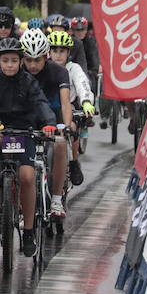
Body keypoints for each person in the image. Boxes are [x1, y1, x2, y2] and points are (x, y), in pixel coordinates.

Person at [0, 37, 58, 258]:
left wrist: (49, 123)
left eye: (14, 60)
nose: (10, 65)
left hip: (24, 130)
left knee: (26, 177)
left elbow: (41, 103)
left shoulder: (29, 81)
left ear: (21, 61)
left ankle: (28, 231)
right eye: (5, 60)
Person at [18, 29, 73, 220]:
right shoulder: (17, 70)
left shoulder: (59, 72)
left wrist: (66, 126)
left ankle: (56, 199)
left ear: (46, 56)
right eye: (28, 60)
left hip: (53, 116)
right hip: (26, 118)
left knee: (59, 144)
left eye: (37, 60)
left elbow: (65, 103)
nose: (32, 65)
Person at [48, 29, 94, 187]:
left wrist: (86, 101)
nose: (58, 55)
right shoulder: (43, 66)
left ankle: (73, 162)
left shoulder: (74, 68)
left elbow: (83, 85)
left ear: (68, 53)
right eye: (54, 51)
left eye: (62, 51)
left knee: (72, 127)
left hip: (70, 107)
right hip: (46, 110)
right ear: (49, 52)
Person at [68, 17, 101, 85]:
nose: (80, 32)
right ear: (72, 31)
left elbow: (94, 62)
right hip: (70, 73)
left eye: (82, 30)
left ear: (86, 30)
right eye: (77, 30)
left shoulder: (91, 42)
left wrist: (91, 72)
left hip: (87, 73)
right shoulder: (68, 41)